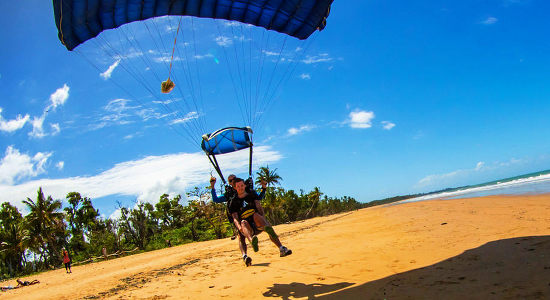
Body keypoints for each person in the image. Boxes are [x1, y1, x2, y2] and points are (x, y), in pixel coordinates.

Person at [210, 175, 266, 266]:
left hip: (251, 216)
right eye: (231, 180)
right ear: (229, 183)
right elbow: (215, 199)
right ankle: (245, 256)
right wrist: (212, 186)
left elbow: (259, 197)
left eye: (234, 179)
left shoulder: (245, 189)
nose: (233, 181)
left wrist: (263, 188)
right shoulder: (229, 194)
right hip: (240, 219)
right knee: (241, 237)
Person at [230, 178, 292, 257]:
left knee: (256, 215)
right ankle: (252, 241)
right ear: (235, 188)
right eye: (238, 186)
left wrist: (263, 218)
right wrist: (239, 228)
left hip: (257, 222)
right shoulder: (233, 202)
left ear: (245, 185)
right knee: (243, 223)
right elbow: (235, 218)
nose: (240, 188)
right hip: (247, 227)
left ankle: (281, 247)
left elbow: (258, 206)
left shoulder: (251, 194)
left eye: (242, 185)